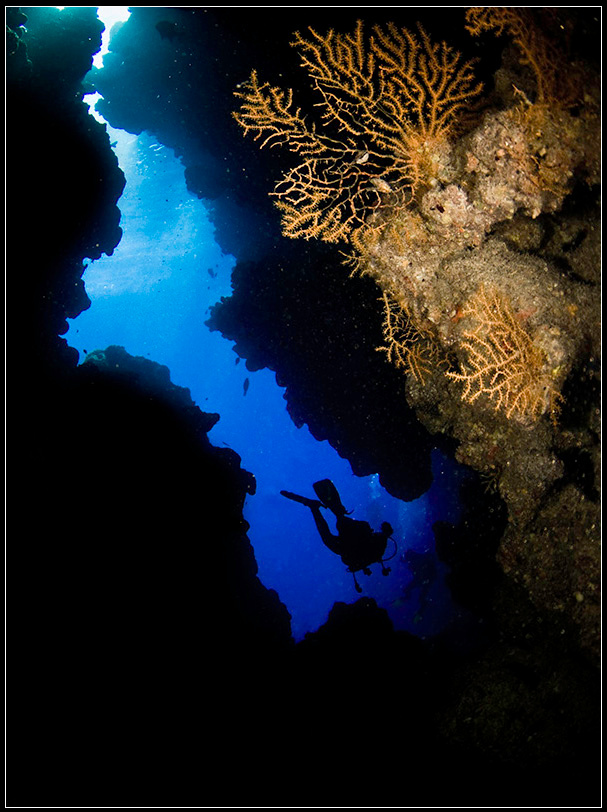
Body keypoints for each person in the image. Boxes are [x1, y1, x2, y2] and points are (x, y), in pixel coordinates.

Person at [281, 479, 395, 592]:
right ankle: (316, 508)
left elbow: (383, 533)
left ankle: (316, 508)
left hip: (351, 541)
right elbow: (383, 533)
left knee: (335, 529)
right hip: (352, 541)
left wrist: (384, 531)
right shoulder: (375, 550)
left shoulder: (375, 550)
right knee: (333, 532)